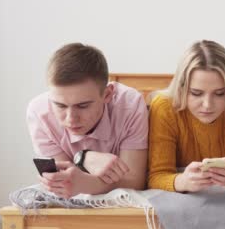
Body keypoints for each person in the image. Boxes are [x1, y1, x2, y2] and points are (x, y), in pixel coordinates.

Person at [27, 43, 148, 198]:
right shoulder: (39, 113)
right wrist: (85, 159)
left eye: (83, 106)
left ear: (107, 95)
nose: (71, 119)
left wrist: (83, 170)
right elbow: (63, 180)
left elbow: (135, 181)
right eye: (60, 105)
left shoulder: (130, 105)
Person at [148, 40, 225, 192]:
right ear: (181, 88)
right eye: (196, 93)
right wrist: (181, 182)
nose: (207, 105)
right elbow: (156, 176)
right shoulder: (164, 108)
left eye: (220, 93)